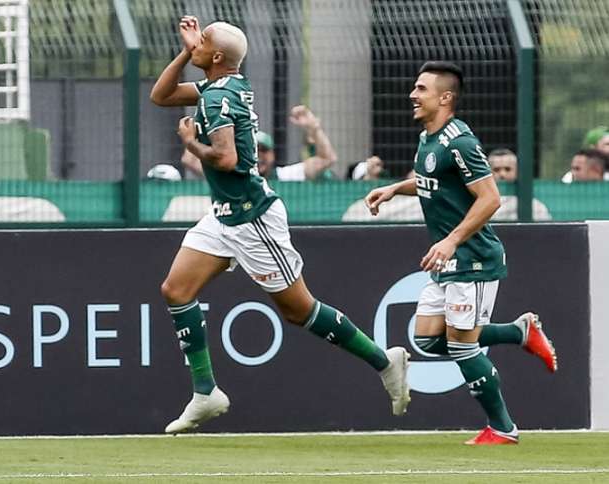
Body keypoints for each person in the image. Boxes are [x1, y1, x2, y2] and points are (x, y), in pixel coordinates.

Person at [150, 15, 411, 434]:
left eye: (201, 42)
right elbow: (160, 96)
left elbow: (227, 158)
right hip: (223, 215)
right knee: (175, 290)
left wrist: (189, 143)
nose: (194, 42)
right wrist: (185, 51)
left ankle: (385, 362)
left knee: (299, 311)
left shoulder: (219, 97)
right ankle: (205, 392)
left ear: (216, 56)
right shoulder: (221, 85)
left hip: (253, 220)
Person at [364, 61, 557, 445]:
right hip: (448, 263)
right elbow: (429, 180)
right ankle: (519, 332)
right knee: (429, 338)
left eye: (421, 89)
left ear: (445, 98)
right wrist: (394, 189)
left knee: (462, 344)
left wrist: (452, 239)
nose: (412, 95)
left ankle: (503, 427)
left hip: (474, 260)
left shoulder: (460, 141)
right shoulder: (428, 139)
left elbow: (490, 198)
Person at [182, 104, 338, 181]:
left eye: (264, 150)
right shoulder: (231, 177)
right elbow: (189, 160)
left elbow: (327, 159)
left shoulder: (286, 176)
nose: (258, 155)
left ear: (273, 154)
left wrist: (314, 127)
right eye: (254, 149)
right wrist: (202, 125)